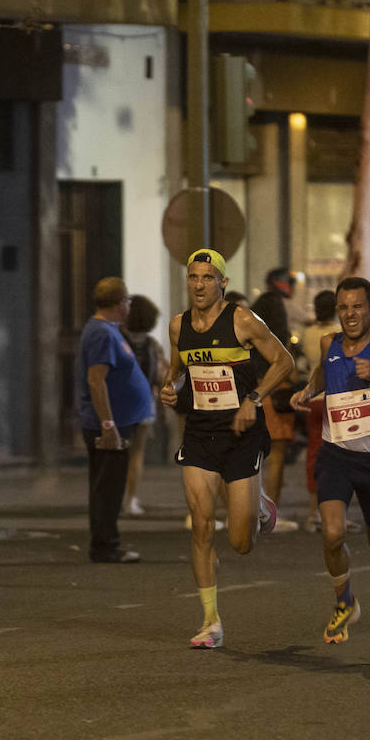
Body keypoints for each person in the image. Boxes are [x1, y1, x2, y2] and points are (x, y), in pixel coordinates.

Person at [160, 248, 293, 649]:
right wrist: (170, 389)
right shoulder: (177, 326)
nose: (199, 285)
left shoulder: (242, 320)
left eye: (207, 278)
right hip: (200, 434)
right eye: (193, 278)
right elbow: (177, 371)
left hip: (241, 437)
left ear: (223, 283)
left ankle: (262, 507)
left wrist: (253, 400)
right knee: (201, 527)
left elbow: (283, 362)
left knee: (240, 542)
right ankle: (211, 622)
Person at [290, 276, 370, 660]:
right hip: (336, 455)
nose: (350, 314)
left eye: (357, 307)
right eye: (344, 307)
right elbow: (322, 371)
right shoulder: (328, 343)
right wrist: (309, 389)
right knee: (332, 533)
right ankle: (345, 601)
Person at [76, 277, 154, 564]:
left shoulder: (109, 330)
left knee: (108, 485)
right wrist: (107, 425)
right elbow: (97, 381)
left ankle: (106, 543)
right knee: (108, 487)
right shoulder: (101, 334)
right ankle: (105, 546)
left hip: (118, 421)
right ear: (121, 302)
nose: (130, 305)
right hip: (109, 424)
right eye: (128, 300)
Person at [249, 290, 302, 525]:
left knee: (252, 457)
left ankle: (248, 510)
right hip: (275, 396)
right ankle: (271, 511)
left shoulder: (248, 335)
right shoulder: (277, 340)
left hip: (250, 398)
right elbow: (289, 369)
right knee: (277, 457)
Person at [122, 294, 168, 517]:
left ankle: (117, 497)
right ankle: (130, 500)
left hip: (119, 400)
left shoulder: (118, 338)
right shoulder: (152, 344)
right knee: (136, 454)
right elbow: (161, 373)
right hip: (144, 401)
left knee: (118, 453)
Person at [299, 289, 339, 532]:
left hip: (314, 400)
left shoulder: (308, 333)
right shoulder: (339, 334)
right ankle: (332, 513)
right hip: (336, 399)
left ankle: (314, 511)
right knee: (339, 457)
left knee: (314, 454)